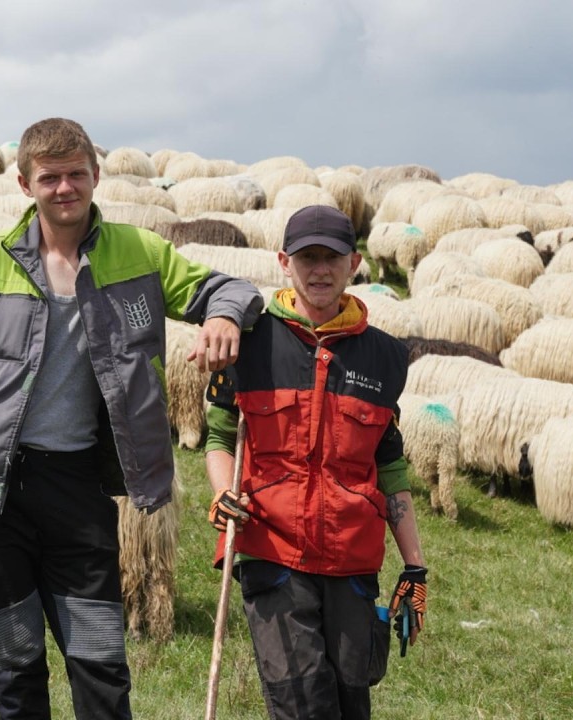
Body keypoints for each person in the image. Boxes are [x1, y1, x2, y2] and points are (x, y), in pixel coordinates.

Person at [0, 117, 263, 720]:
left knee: (101, 667)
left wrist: (224, 317)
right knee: (14, 669)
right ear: (25, 184)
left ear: (96, 176)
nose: (65, 187)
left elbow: (229, 289)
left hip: (79, 487)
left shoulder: (139, 253)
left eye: (76, 174)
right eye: (50, 177)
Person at [205, 204, 427, 719]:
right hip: (272, 548)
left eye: (332, 257)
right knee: (302, 704)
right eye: (308, 257)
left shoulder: (386, 357)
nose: (320, 269)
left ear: (354, 263)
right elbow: (220, 434)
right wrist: (221, 492)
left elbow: (390, 464)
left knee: (353, 699)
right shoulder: (251, 341)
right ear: (285, 261)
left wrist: (414, 563)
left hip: (352, 558)